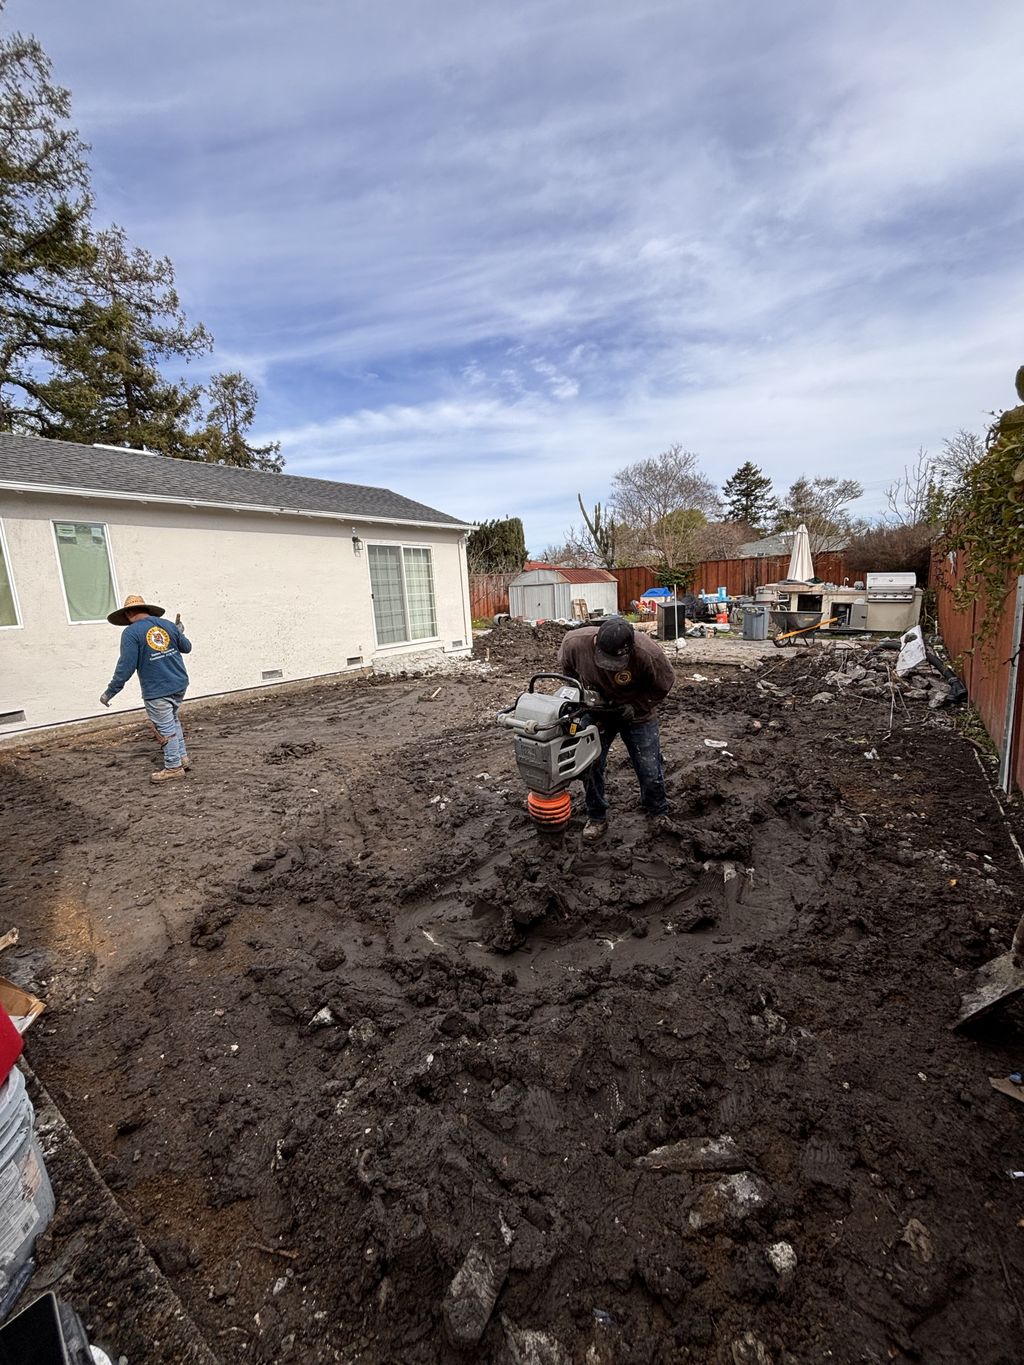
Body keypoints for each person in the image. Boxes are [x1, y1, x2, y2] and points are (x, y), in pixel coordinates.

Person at [556, 616, 675, 839]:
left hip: (638, 714)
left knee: (649, 767)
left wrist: (636, 706)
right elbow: (568, 674)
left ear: (629, 650)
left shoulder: (648, 653)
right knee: (589, 764)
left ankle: (657, 811)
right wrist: (583, 699)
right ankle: (596, 815)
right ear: (595, 642)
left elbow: (663, 685)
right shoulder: (574, 644)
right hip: (597, 711)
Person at [100, 594, 192, 785]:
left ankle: (173, 767)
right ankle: (182, 758)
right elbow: (187, 647)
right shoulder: (167, 625)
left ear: (129, 613)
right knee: (172, 721)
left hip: (157, 688)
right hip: (179, 683)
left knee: (165, 727)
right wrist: (179, 632)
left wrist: (111, 691)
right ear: (147, 610)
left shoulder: (131, 633)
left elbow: (126, 665)